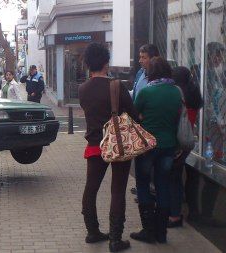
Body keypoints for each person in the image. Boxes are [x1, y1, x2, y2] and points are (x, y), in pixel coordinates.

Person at [78, 43, 138, 252]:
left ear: (88, 64)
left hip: (95, 145)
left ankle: (92, 231)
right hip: (118, 145)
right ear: (106, 62)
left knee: (90, 188)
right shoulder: (116, 86)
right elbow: (132, 114)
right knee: (117, 190)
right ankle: (115, 239)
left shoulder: (83, 89)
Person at [131, 57, 181, 244]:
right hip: (168, 146)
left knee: (143, 184)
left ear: (151, 73)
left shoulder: (145, 92)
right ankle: (162, 233)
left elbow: (134, 117)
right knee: (163, 185)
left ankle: (148, 231)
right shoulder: (176, 92)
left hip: (147, 147)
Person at [167, 66, 203, 228]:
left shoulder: (176, 94)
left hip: (178, 140)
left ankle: (175, 211)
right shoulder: (194, 93)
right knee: (187, 177)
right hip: (190, 139)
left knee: (174, 176)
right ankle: (191, 210)